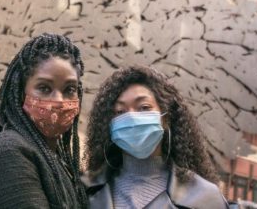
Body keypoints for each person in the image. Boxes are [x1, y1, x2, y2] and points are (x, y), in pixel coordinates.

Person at [83, 66, 230, 209]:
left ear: (166, 118)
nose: (132, 117)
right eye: (120, 111)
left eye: (144, 107)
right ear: (109, 124)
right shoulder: (83, 190)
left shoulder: (205, 197)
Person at [0, 33, 88, 208]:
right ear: (21, 92)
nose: (59, 100)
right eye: (44, 88)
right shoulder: (8, 150)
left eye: (69, 89)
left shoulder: (60, 160)